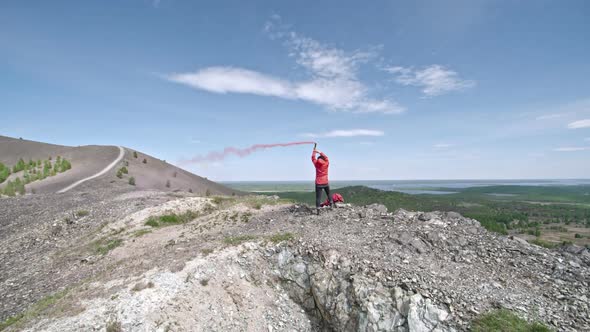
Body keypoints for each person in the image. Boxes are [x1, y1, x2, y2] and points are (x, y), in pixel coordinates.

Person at [312, 148, 333, 215]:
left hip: (318, 183)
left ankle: (318, 210)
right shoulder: (326, 163)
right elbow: (326, 157)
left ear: (318, 160)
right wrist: (319, 152)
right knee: (328, 194)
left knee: (318, 197)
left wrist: (314, 152)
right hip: (325, 182)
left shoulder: (316, 164)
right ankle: (331, 206)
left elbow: (313, 158)